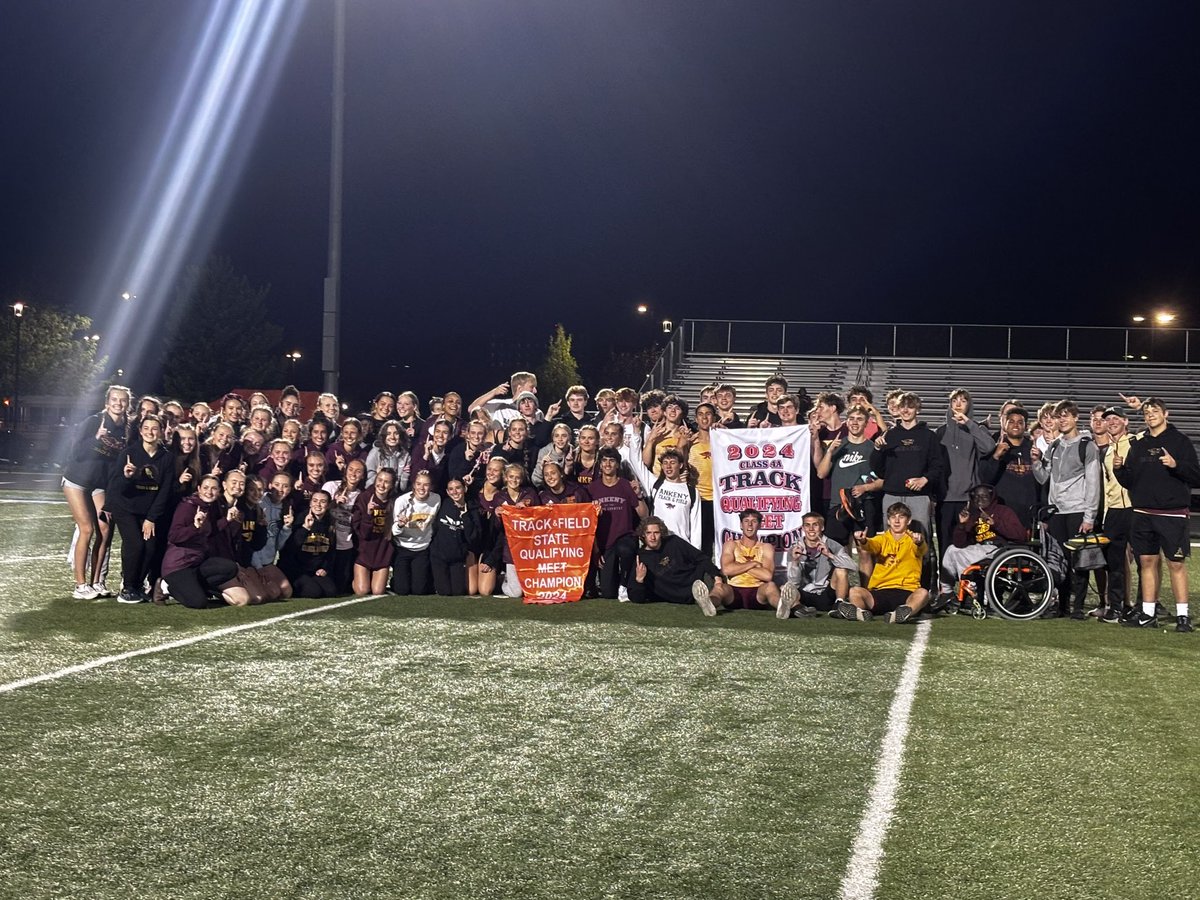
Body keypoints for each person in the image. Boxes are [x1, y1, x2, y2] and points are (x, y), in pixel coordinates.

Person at [1114, 397, 1200, 631]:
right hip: (1142, 512)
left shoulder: (1180, 441)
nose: (1150, 414)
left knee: (1176, 563)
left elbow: (1196, 474)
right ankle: (1147, 613)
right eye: (1147, 412)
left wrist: (1176, 465)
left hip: (1172, 513)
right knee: (1147, 562)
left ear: (1166, 414)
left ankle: (1183, 616)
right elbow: (1130, 481)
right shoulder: (1139, 444)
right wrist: (1119, 469)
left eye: (1155, 410)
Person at [1032, 400, 1101, 618]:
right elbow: (1044, 477)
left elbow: (1093, 483)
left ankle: (1078, 607)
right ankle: (1062, 606)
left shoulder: (1087, 446)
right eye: (1058, 416)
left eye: (1065, 415)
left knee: (1079, 561)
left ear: (1075, 418)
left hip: (1077, 510)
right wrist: (1035, 462)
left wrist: (1089, 516)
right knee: (1058, 560)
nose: (1061, 419)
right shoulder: (1054, 446)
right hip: (1057, 512)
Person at [63, 384, 131, 599]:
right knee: (86, 529)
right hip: (77, 480)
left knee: (105, 529)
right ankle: (80, 586)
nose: (118, 403)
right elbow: (75, 452)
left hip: (100, 484)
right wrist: (95, 438)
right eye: (115, 399)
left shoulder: (126, 429)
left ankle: (97, 582)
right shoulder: (94, 421)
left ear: (128, 404)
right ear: (106, 402)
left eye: (123, 400)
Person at [105, 415, 175, 604]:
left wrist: (151, 518)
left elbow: (165, 491)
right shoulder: (129, 453)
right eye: (146, 428)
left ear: (161, 432)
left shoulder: (167, 457)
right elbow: (116, 487)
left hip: (148, 512)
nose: (150, 432)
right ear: (140, 431)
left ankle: (137, 586)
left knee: (150, 547)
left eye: (155, 428)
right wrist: (127, 476)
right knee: (135, 544)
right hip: (125, 508)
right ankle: (127, 587)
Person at [935, 484, 1026, 607]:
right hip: (978, 548)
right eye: (976, 496)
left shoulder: (1003, 511)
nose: (980, 499)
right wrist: (962, 525)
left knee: (964, 554)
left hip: (998, 548)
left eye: (984, 496)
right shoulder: (972, 515)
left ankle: (971, 589)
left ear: (991, 497)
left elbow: (1020, 535)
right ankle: (947, 592)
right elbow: (959, 543)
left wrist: (995, 523)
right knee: (952, 549)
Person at [842, 502, 932, 624]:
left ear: (908, 521)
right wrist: (863, 540)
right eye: (893, 517)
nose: (897, 521)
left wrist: (919, 542)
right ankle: (860, 613)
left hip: (906, 591)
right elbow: (871, 545)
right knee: (855, 591)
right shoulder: (882, 539)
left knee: (923, 593)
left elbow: (922, 549)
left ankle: (901, 613)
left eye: (901, 517)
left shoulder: (914, 539)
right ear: (888, 521)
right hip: (880, 591)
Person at [161, 474, 241, 608]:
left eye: (214, 489)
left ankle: (195, 586)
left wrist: (227, 519)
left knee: (230, 568)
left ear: (219, 491)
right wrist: (195, 527)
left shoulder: (211, 506)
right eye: (206, 487)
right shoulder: (187, 506)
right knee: (199, 603)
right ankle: (166, 587)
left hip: (197, 564)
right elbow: (174, 537)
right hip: (179, 565)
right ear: (198, 488)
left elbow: (210, 531)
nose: (209, 492)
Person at [935, 389, 997, 553]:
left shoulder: (976, 428)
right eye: (954, 400)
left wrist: (969, 424)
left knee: (970, 544)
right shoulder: (940, 431)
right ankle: (945, 578)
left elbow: (989, 447)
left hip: (969, 499)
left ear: (969, 405)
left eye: (963, 400)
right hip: (945, 499)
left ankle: (969, 579)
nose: (958, 404)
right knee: (945, 546)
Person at [627, 516, 731, 613]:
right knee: (723, 593)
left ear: (662, 533)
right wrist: (639, 580)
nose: (652, 537)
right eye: (648, 533)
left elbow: (700, 558)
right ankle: (708, 603)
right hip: (684, 596)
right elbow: (636, 598)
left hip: (699, 580)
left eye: (656, 533)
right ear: (643, 534)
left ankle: (710, 603)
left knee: (726, 591)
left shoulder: (674, 542)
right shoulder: (640, 559)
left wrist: (717, 577)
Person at [875, 391, 943, 535]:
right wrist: (877, 450)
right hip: (892, 495)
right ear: (898, 409)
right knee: (892, 541)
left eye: (910, 407)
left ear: (917, 409)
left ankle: (926, 559)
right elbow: (878, 470)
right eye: (902, 407)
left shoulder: (929, 435)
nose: (906, 410)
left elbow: (938, 465)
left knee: (920, 540)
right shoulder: (889, 435)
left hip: (919, 496)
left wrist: (925, 479)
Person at [587, 448, 646, 600]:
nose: (608, 464)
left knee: (625, 549)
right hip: (604, 542)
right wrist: (596, 550)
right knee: (607, 593)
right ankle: (617, 581)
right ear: (599, 464)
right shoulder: (592, 489)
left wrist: (638, 495)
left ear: (618, 465)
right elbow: (587, 523)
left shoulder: (626, 485)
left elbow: (644, 514)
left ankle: (625, 584)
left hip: (625, 536)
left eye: (612, 461)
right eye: (604, 460)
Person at [719, 509, 794, 618]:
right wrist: (753, 563)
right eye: (746, 521)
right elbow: (726, 570)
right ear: (741, 525)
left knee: (771, 586)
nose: (750, 525)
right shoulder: (731, 544)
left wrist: (738, 565)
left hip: (757, 592)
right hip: (734, 591)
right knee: (719, 588)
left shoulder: (766, 547)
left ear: (759, 525)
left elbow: (767, 576)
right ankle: (709, 603)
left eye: (754, 521)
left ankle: (782, 607)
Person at [1097, 406, 1134, 622]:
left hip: (1134, 507)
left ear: (1125, 421)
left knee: (1143, 560)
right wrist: (1104, 515)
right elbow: (1107, 484)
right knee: (1114, 562)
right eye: (1108, 419)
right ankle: (1116, 606)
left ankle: (1143, 606)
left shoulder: (1136, 443)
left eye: (1116, 418)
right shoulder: (1107, 451)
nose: (1111, 422)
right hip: (1114, 512)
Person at [780, 512, 855, 614]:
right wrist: (795, 562)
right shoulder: (795, 548)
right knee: (784, 588)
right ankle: (798, 609)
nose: (811, 529)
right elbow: (794, 582)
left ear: (822, 527)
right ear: (803, 528)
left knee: (841, 569)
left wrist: (830, 555)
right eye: (807, 525)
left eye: (815, 525)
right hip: (804, 594)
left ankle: (839, 606)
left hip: (826, 593)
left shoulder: (833, 545)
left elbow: (853, 566)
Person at [279, 489, 339, 598]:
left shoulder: (330, 522)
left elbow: (331, 550)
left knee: (331, 591)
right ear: (310, 503)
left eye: (323, 501)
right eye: (315, 501)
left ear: (328, 505)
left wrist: (324, 568)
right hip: (296, 569)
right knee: (313, 592)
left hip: (314, 570)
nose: (318, 504)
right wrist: (305, 528)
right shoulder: (300, 518)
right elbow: (290, 548)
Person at [391, 470, 441, 595]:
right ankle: (395, 580)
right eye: (418, 484)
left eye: (426, 484)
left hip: (422, 549)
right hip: (402, 547)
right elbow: (394, 532)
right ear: (413, 485)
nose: (422, 488)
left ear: (431, 486)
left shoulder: (436, 499)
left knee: (419, 590)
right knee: (402, 590)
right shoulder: (402, 501)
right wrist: (400, 524)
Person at [429, 479, 481, 596]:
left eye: (458, 488)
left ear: (465, 489)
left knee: (458, 592)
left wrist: (465, 515)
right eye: (451, 489)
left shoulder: (472, 508)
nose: (455, 492)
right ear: (447, 492)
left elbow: (472, 538)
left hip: (457, 558)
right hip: (439, 556)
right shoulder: (443, 503)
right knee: (444, 592)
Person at [322, 458, 366, 593]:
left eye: (358, 471)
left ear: (363, 476)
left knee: (341, 587)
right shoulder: (330, 486)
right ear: (345, 471)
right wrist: (334, 503)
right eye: (351, 470)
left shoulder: (361, 495)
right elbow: (317, 510)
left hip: (346, 544)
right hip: (328, 541)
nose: (353, 474)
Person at [351, 467, 396, 596]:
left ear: (392, 485)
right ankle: (354, 579)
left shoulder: (395, 502)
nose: (382, 484)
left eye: (386, 482)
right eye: (379, 480)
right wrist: (368, 515)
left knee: (378, 591)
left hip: (382, 552)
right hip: (365, 551)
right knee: (362, 591)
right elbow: (363, 534)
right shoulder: (364, 498)